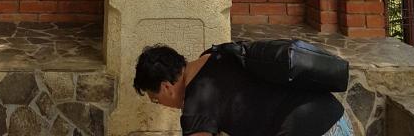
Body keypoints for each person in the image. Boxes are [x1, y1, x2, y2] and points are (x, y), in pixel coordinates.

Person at [133, 44, 353, 136]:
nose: (162, 105)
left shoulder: (195, 108)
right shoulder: (215, 54)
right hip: (336, 116)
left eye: (155, 99)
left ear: (166, 87)